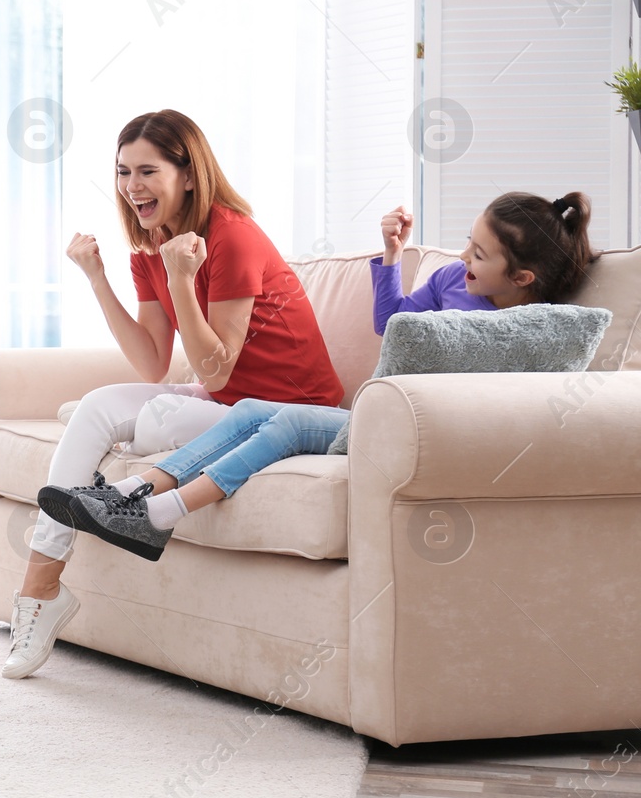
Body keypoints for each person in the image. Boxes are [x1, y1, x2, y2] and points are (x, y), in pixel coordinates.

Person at [50, 191, 597, 562]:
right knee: (246, 411)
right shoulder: (453, 278)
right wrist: (391, 256)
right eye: (468, 243)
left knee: (284, 426)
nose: (463, 257)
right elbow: (391, 322)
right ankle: (128, 493)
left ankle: (161, 513)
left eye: (480, 254)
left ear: (522, 277)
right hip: (368, 413)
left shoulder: (519, 329)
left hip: (397, 428)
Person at [5, 109, 344, 679]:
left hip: (287, 414)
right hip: (225, 403)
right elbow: (151, 360)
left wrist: (183, 279)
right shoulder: (154, 246)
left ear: (188, 174)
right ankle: (40, 590)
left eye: (147, 171)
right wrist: (97, 278)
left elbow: (213, 371)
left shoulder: (232, 237)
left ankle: (133, 447)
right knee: (96, 406)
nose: (131, 187)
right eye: (122, 172)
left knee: (153, 414)